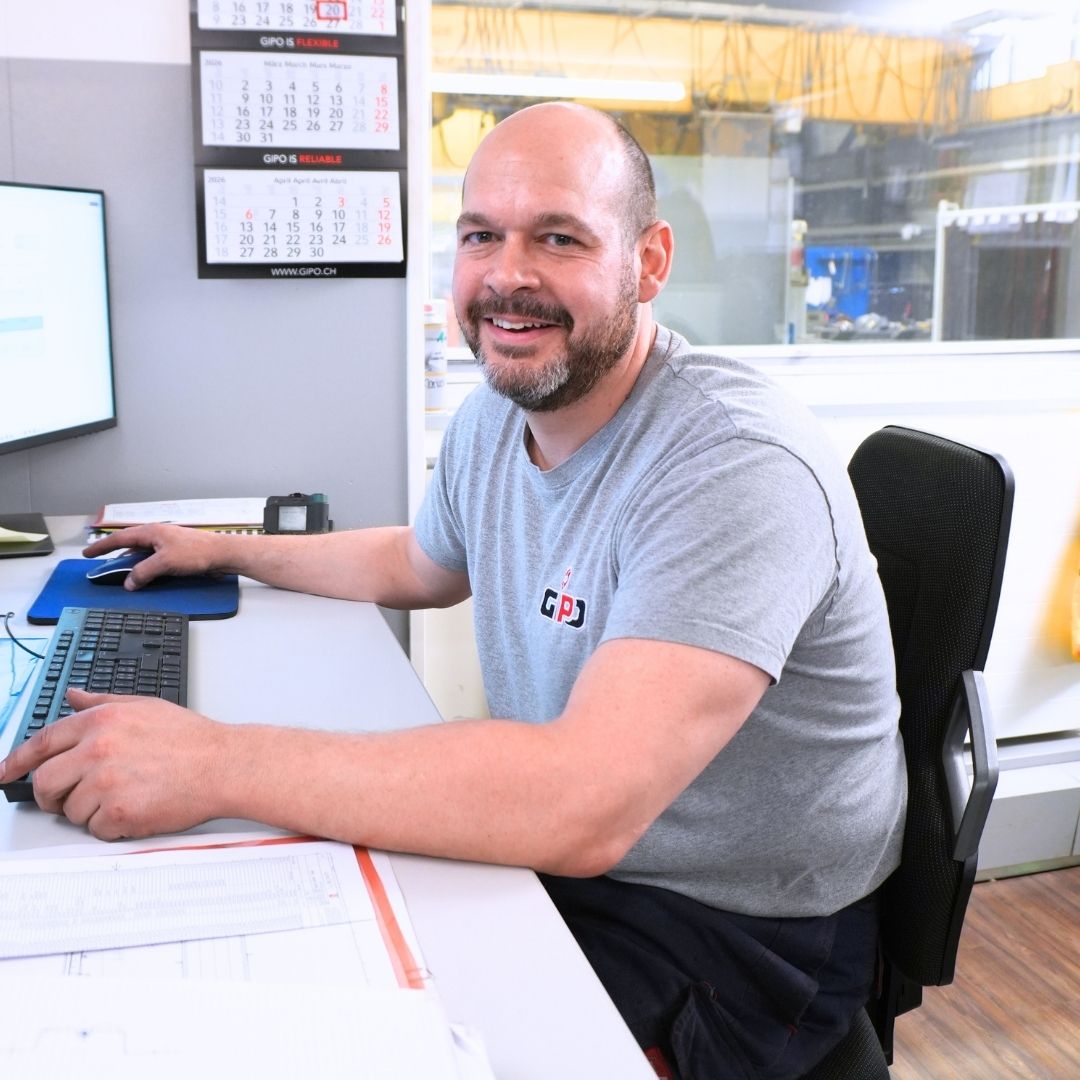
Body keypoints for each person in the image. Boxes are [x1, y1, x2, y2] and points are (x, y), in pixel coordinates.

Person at [0, 102, 905, 1079]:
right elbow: (417, 563)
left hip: (735, 931)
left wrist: (211, 762)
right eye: (481, 236)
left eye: (558, 237)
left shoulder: (733, 465)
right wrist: (223, 553)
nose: (507, 275)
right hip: (581, 857)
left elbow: (585, 802)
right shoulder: (497, 418)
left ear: (648, 262)